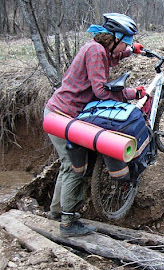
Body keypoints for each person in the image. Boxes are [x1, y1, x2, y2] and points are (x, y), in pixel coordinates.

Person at [44, 13, 145, 237]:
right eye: (125, 42)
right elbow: (101, 92)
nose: (125, 47)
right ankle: (68, 224)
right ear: (114, 38)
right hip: (62, 115)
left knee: (66, 164)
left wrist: (131, 50)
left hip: (60, 113)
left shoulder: (98, 48)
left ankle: (56, 212)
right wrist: (132, 93)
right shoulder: (96, 51)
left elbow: (111, 58)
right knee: (73, 166)